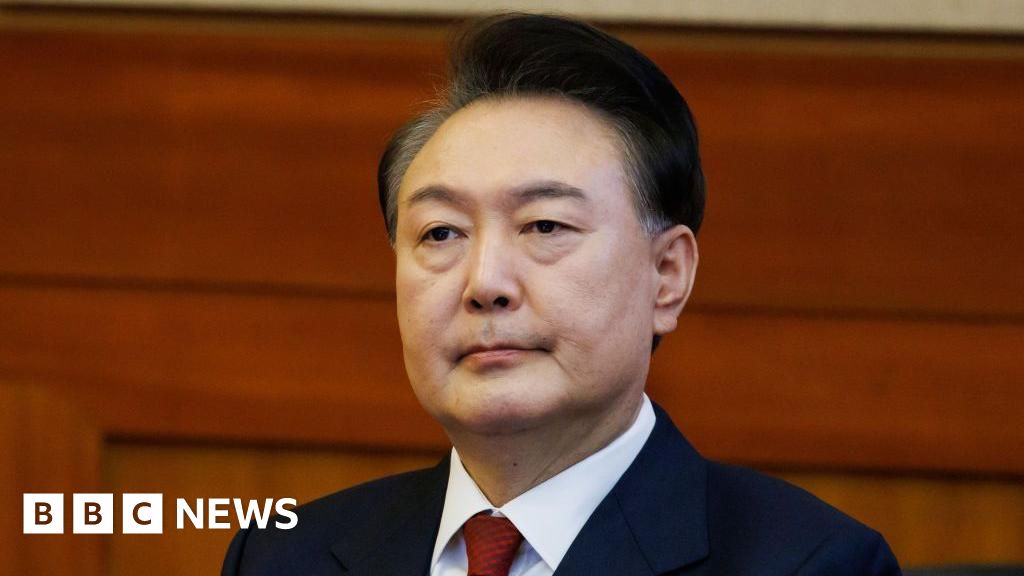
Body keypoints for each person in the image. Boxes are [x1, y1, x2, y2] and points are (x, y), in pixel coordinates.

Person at [222, 13, 901, 576]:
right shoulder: (283, 556)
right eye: (441, 232)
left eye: (544, 226)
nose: (485, 284)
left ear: (667, 275)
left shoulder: (811, 563)